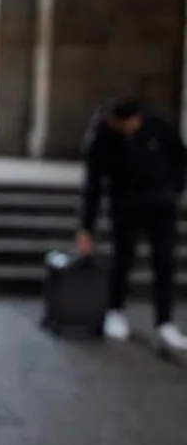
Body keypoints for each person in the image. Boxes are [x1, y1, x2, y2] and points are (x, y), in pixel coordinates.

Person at [76, 98, 187, 351]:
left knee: (165, 261)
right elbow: (93, 186)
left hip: (161, 205)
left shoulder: (159, 126)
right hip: (125, 205)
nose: (127, 130)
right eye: (122, 126)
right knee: (122, 259)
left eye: (131, 125)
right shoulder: (102, 137)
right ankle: (115, 310)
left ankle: (165, 321)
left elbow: (180, 157)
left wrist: (174, 191)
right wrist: (86, 228)